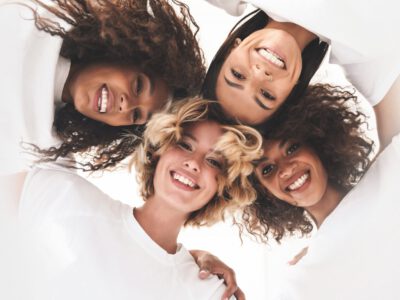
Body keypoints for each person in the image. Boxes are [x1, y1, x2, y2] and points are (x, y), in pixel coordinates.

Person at [14, 98, 262, 300]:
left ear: (223, 189)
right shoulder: (67, 197)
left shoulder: (208, 291)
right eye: (185, 145)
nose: (193, 163)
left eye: (213, 161)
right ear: (158, 152)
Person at [0, 0, 205, 174]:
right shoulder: (40, 13)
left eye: (136, 115)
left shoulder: (45, 155)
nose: (126, 105)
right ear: (123, 55)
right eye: (138, 86)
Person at [240, 80, 400, 298]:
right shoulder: (304, 276)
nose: (285, 171)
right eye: (267, 169)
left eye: (292, 148)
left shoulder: (388, 175)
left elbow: (388, 77)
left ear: (318, 142)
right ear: (264, 193)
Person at [202, 0, 400, 125]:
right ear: (292, 91)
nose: (260, 75)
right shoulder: (364, 54)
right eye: (267, 95)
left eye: (237, 75)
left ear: (231, 48)